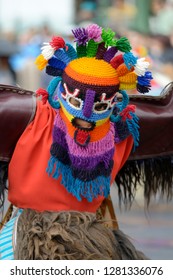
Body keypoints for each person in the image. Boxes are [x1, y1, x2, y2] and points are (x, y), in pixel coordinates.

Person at [0, 23, 153, 260]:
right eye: (80, 101)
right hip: (88, 238)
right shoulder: (123, 131)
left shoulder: (37, 115)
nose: (86, 116)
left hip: (30, 235)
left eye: (99, 106)